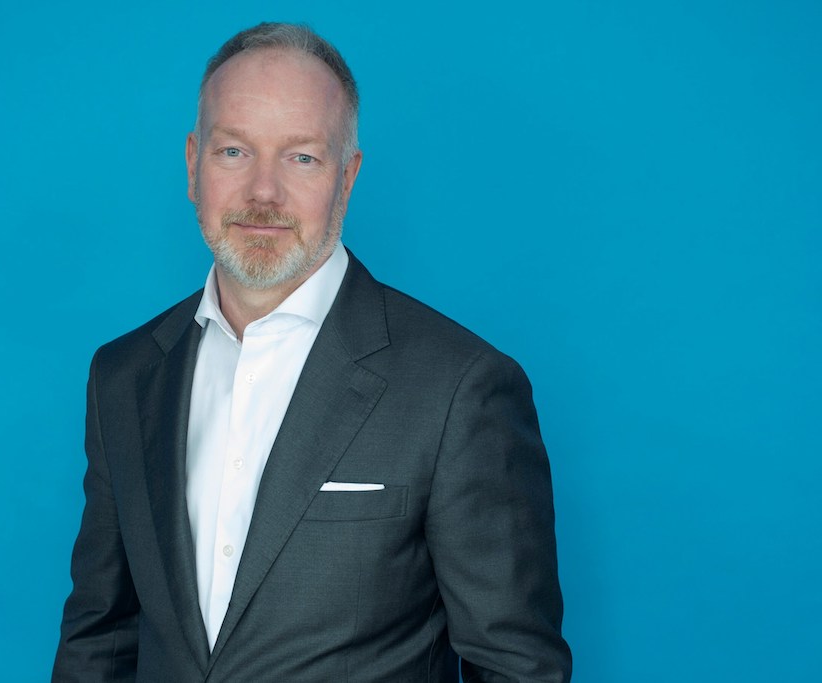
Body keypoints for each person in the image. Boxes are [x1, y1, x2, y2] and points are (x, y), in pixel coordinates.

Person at [53, 22, 571, 682]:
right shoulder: (123, 377)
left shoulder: (459, 387)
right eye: (234, 151)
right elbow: (101, 637)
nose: (263, 192)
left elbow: (516, 667)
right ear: (192, 164)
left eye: (302, 157)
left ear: (348, 176)